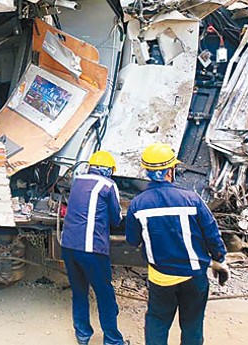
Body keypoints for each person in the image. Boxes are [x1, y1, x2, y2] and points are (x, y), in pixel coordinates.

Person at [125, 143, 229, 345]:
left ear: (147, 172)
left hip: (160, 277)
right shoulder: (191, 199)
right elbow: (212, 234)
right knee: (192, 325)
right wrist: (220, 259)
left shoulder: (138, 204)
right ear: (170, 171)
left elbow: (132, 240)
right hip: (194, 276)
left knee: (157, 321)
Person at [61, 150, 127, 345]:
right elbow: (116, 218)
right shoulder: (108, 185)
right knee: (104, 294)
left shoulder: (77, 181)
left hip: (68, 246)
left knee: (79, 291)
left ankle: (82, 335)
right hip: (92, 249)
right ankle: (113, 340)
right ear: (108, 171)